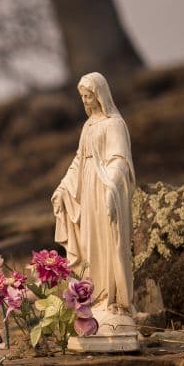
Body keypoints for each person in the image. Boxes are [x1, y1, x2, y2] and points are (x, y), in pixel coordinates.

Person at [52, 72, 135, 318]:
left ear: (100, 95)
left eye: (89, 96)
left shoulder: (114, 124)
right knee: (89, 243)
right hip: (86, 189)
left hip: (104, 187)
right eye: (82, 97)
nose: (85, 102)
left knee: (107, 242)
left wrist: (111, 186)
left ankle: (111, 299)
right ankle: (92, 296)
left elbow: (119, 159)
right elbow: (79, 159)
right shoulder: (88, 125)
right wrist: (64, 186)